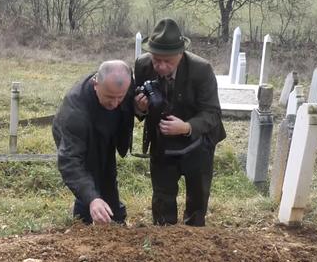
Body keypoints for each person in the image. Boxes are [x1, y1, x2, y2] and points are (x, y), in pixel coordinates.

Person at [134, 18, 226, 227]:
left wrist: (186, 127)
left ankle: (192, 240)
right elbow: (138, 103)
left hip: (197, 142)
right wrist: (140, 107)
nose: (161, 66)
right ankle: (164, 239)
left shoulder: (201, 70)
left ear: (181, 54)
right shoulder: (142, 65)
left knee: (197, 198)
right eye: (156, 60)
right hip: (162, 142)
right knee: (162, 196)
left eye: (168, 61)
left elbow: (212, 112)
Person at [52, 60, 134, 224]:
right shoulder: (75, 113)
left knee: (107, 174)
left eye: (120, 97)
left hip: (105, 128)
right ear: (96, 84)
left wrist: (141, 108)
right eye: (110, 97)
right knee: (90, 173)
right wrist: (92, 199)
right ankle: (84, 220)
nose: (115, 103)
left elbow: (131, 106)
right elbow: (71, 162)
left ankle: (114, 217)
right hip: (78, 136)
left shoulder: (124, 84)